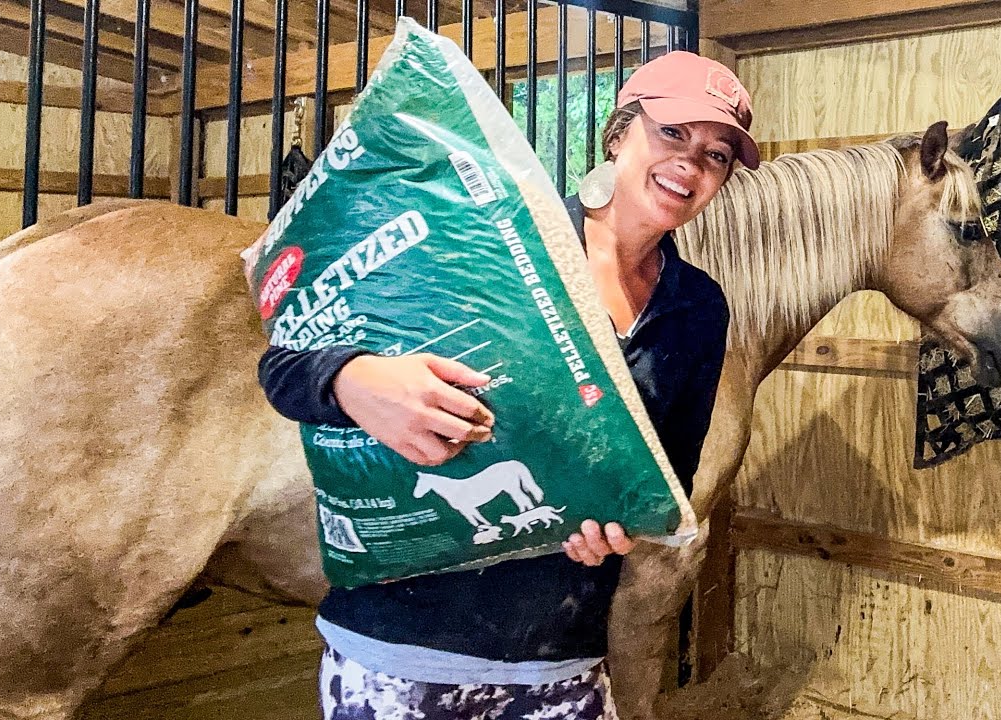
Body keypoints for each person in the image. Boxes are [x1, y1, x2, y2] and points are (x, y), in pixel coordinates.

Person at [257, 50, 761, 720]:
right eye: (673, 134)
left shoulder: (697, 310)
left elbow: (666, 475)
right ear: (619, 134)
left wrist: (622, 525)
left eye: (717, 154)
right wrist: (353, 380)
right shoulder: (495, 239)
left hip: (563, 666)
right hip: (401, 652)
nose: (691, 164)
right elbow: (283, 365)